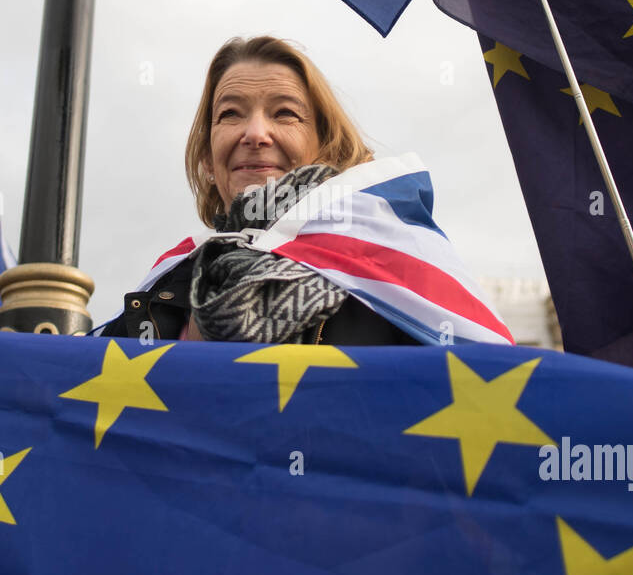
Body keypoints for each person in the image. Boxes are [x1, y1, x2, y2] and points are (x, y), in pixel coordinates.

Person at [98, 36, 512, 347]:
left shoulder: (398, 271)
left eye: (285, 113)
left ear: (326, 147)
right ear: (208, 160)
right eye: (230, 114)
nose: (256, 133)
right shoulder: (162, 287)